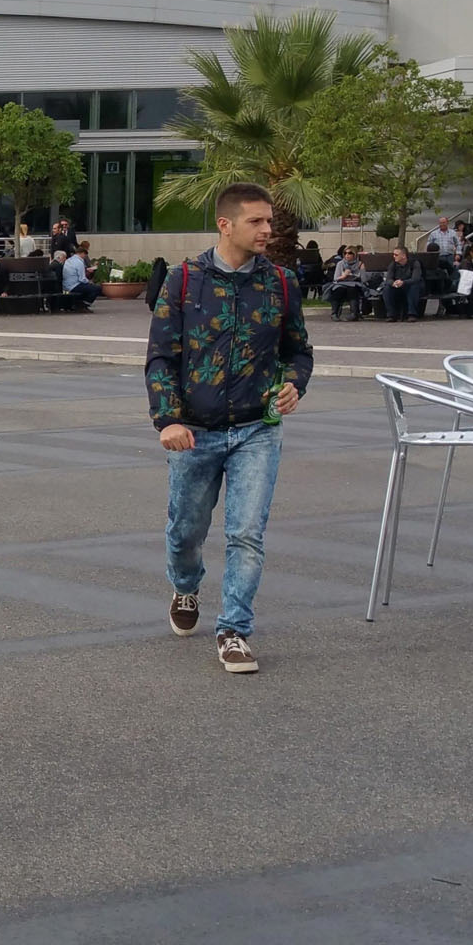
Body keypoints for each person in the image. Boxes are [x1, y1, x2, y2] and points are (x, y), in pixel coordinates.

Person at [147, 183, 312, 674]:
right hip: (194, 433)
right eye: (256, 221)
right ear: (226, 224)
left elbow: (298, 350)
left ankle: (234, 631)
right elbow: (161, 357)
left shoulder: (281, 283)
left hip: (257, 430)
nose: (267, 230)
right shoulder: (183, 281)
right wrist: (168, 419)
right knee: (186, 531)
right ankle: (185, 586)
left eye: (269, 221)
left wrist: (294, 383)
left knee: (246, 533)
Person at [381, 244, 424, 321]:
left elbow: (416, 278)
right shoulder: (393, 264)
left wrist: (403, 282)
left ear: (403, 256)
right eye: (393, 254)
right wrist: (393, 283)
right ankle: (391, 315)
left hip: (410, 285)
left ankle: (412, 314)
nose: (394, 256)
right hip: (397, 286)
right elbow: (388, 279)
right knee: (387, 289)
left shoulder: (414, 263)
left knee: (414, 287)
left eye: (396, 255)